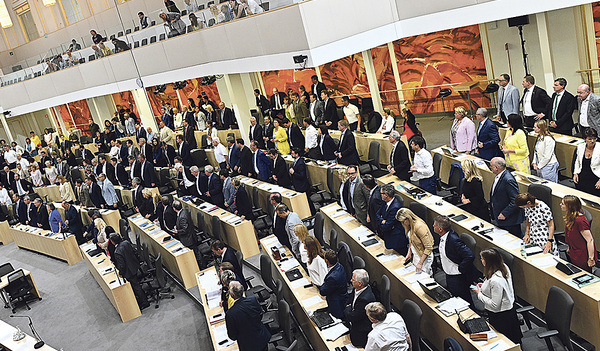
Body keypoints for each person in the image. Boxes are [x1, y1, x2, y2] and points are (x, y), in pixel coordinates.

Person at [473, 249, 522, 344]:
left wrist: (479, 294)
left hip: (501, 317)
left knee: (507, 342)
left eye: (482, 259)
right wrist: (484, 286)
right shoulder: (503, 267)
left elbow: (495, 304)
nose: (481, 260)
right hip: (508, 312)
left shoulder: (496, 281)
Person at [433, 215, 476, 305]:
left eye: (435, 225)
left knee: (464, 301)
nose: (433, 226)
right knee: (456, 300)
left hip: (457, 277)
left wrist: (461, 268)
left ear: (440, 229)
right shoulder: (444, 236)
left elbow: (470, 256)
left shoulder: (454, 240)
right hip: (449, 274)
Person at [225, 281, 271, 351]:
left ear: (232, 295)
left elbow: (232, 336)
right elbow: (260, 315)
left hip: (247, 345)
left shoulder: (230, 314)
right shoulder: (253, 300)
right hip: (261, 338)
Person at [110, 233, 150, 310]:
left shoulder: (117, 252)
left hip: (130, 271)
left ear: (113, 242)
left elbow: (122, 265)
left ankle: (144, 302)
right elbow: (135, 252)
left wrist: (120, 273)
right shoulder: (126, 243)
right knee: (137, 285)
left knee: (136, 286)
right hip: (136, 266)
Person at [560, 195, 597, 272]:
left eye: (562, 203)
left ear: (569, 206)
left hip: (582, 255)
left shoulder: (580, 221)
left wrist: (591, 258)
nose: (560, 205)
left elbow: (590, 240)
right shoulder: (571, 217)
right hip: (574, 251)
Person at [489, 157, 524, 237]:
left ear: (496, 168)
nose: (490, 167)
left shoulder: (508, 180)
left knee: (514, 240)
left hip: (510, 219)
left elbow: (516, 200)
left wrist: (504, 213)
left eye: (491, 166)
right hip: (501, 216)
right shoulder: (499, 176)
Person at [396, 208, 434, 275]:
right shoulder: (409, 225)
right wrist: (409, 252)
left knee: (424, 277)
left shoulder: (419, 226)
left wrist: (420, 263)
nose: (402, 223)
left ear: (408, 218)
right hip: (416, 254)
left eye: (403, 221)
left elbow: (428, 248)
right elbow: (412, 240)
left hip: (424, 257)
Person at [344, 269, 376, 348]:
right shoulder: (357, 289)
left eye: (353, 280)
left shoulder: (365, 299)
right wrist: (348, 308)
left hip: (361, 331)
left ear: (360, 283)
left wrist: (348, 308)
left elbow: (353, 317)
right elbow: (349, 301)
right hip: (354, 323)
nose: (351, 280)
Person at [376, 184, 407, 255]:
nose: (380, 195)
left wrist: (382, 223)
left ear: (386, 195)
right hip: (389, 235)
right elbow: (377, 214)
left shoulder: (395, 207)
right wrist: (382, 221)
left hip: (396, 239)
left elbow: (387, 226)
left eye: (381, 193)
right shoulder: (385, 202)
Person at [319, 249, 348, 319]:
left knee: (337, 318)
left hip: (336, 302)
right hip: (342, 295)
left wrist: (323, 284)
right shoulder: (340, 266)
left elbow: (322, 291)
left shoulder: (332, 278)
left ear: (326, 260)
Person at [573, 127, 600, 196]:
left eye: (594, 138)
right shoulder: (580, 147)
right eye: (590, 139)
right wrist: (575, 173)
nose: (592, 141)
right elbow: (577, 162)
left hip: (596, 177)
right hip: (582, 177)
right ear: (585, 139)